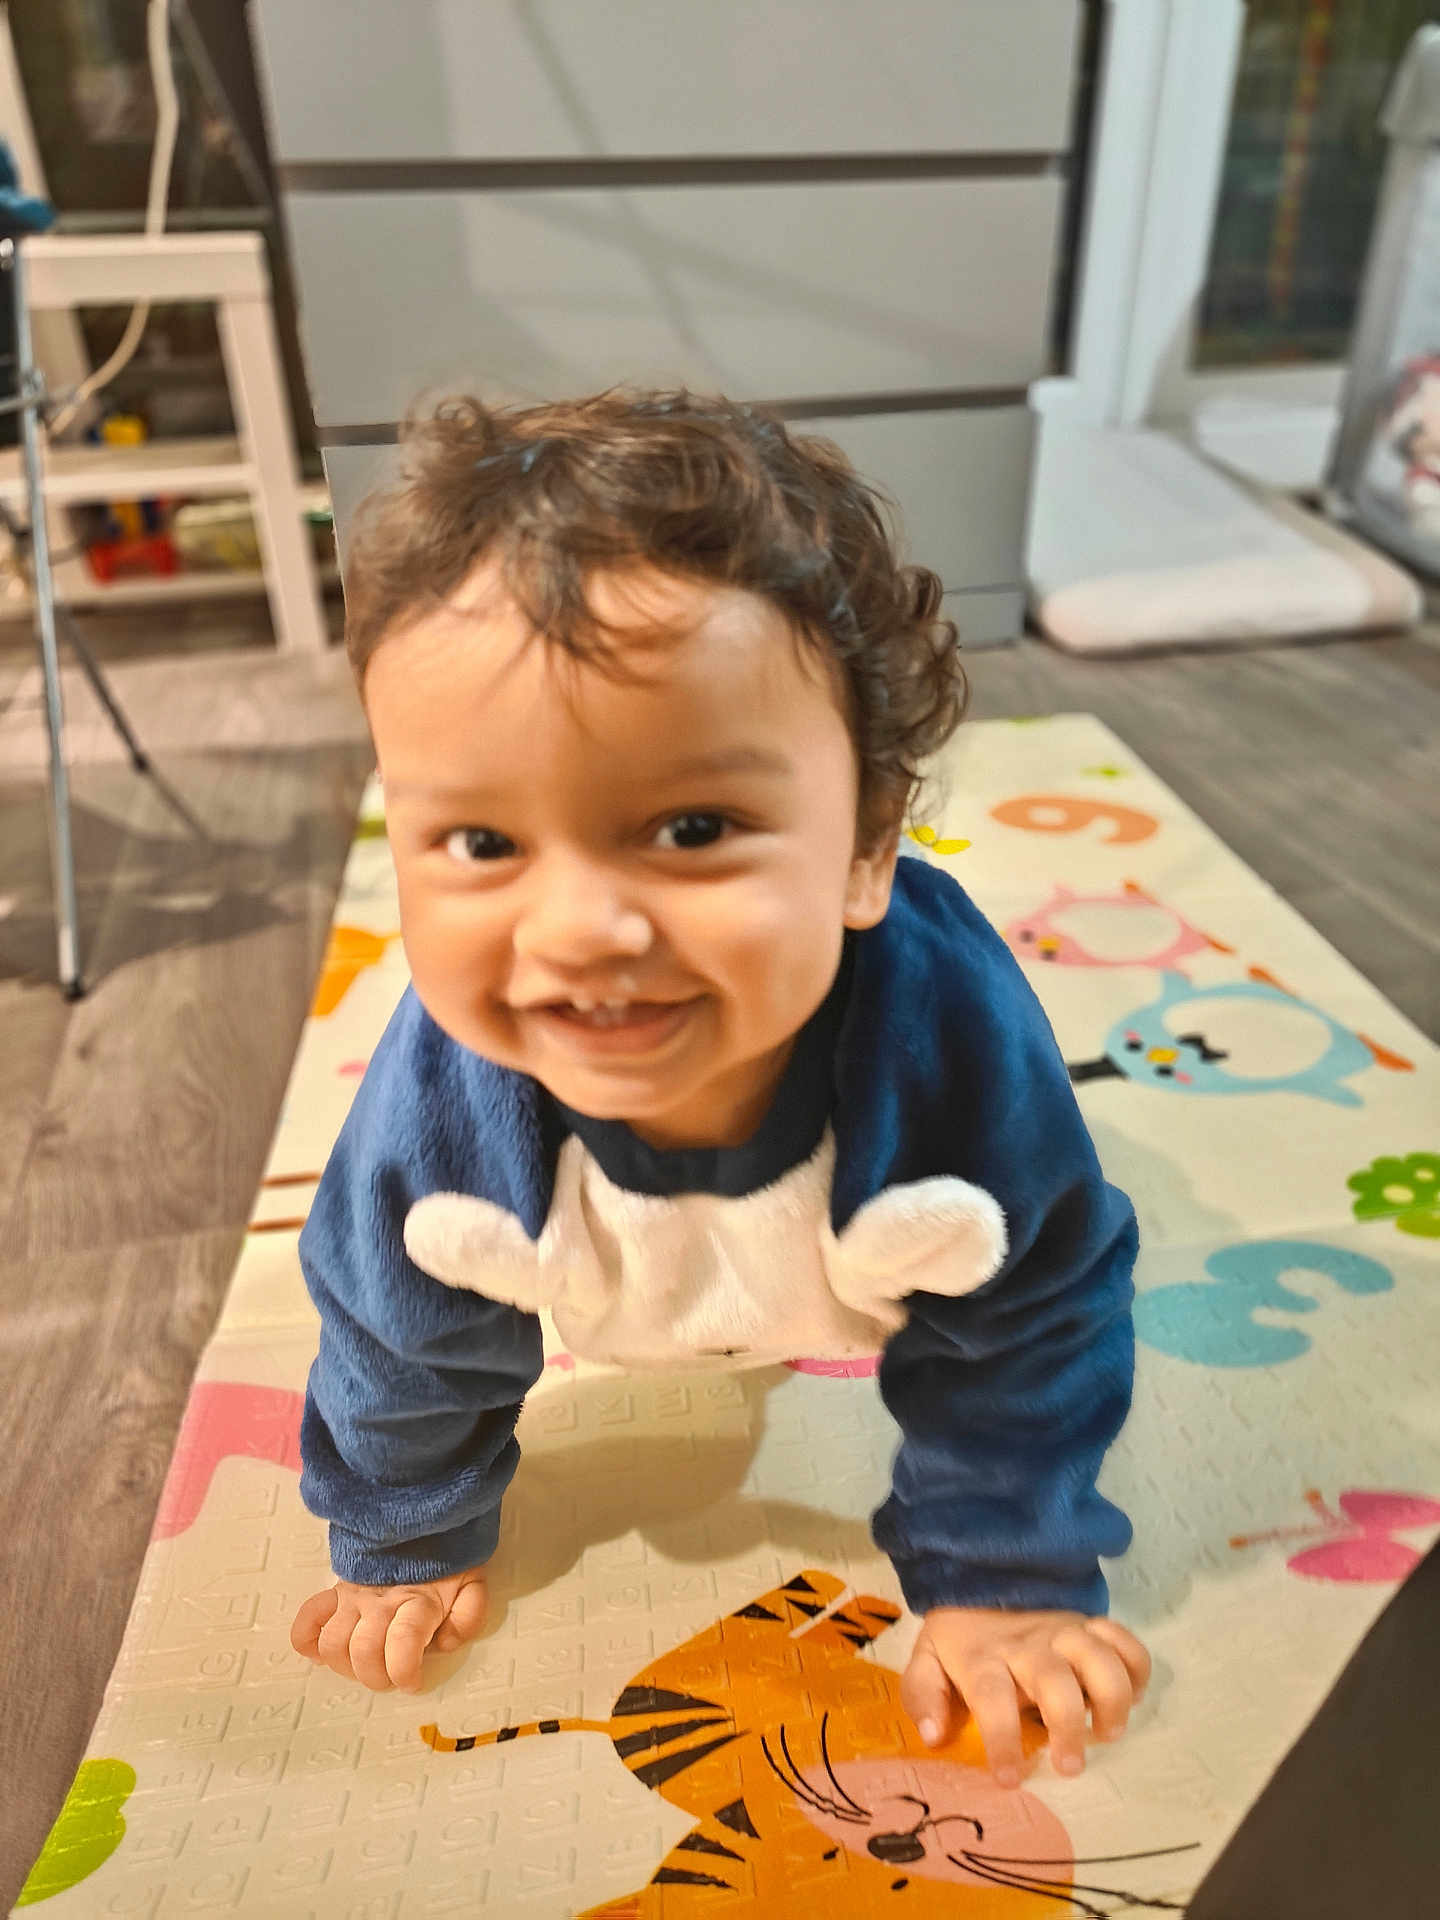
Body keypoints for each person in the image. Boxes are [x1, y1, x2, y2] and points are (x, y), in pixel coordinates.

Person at [290, 388, 1148, 1790]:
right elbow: (391, 1335)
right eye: (483, 842)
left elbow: (1036, 1316)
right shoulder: (442, 1125)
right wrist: (404, 1530)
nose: (580, 930)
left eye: (692, 828)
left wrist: (1005, 1570)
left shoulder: (952, 1061)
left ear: (866, 846)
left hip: (869, 1205)